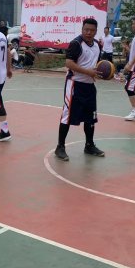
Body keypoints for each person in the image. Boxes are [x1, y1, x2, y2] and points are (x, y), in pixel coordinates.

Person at [54, 18, 104, 161]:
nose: (88, 33)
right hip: (74, 85)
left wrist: (101, 73)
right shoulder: (76, 43)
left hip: (89, 86)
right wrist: (88, 72)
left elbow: (95, 64)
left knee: (90, 117)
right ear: (82, 29)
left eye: (92, 30)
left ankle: (89, 145)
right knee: (67, 115)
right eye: (86, 30)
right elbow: (69, 63)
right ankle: (60, 147)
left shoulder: (97, 45)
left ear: (96, 31)